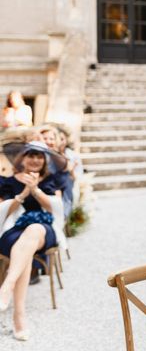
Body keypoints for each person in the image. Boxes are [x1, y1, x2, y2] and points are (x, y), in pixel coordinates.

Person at [0, 141, 67, 341]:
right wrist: (23, 194)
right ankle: (19, 317)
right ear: (23, 158)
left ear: (44, 160)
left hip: (44, 229)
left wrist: (36, 189)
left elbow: (55, 209)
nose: (35, 160)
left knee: (34, 229)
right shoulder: (8, 182)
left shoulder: (52, 180)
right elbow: (3, 212)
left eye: (39, 157)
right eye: (31, 155)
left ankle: (6, 286)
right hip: (15, 230)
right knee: (25, 248)